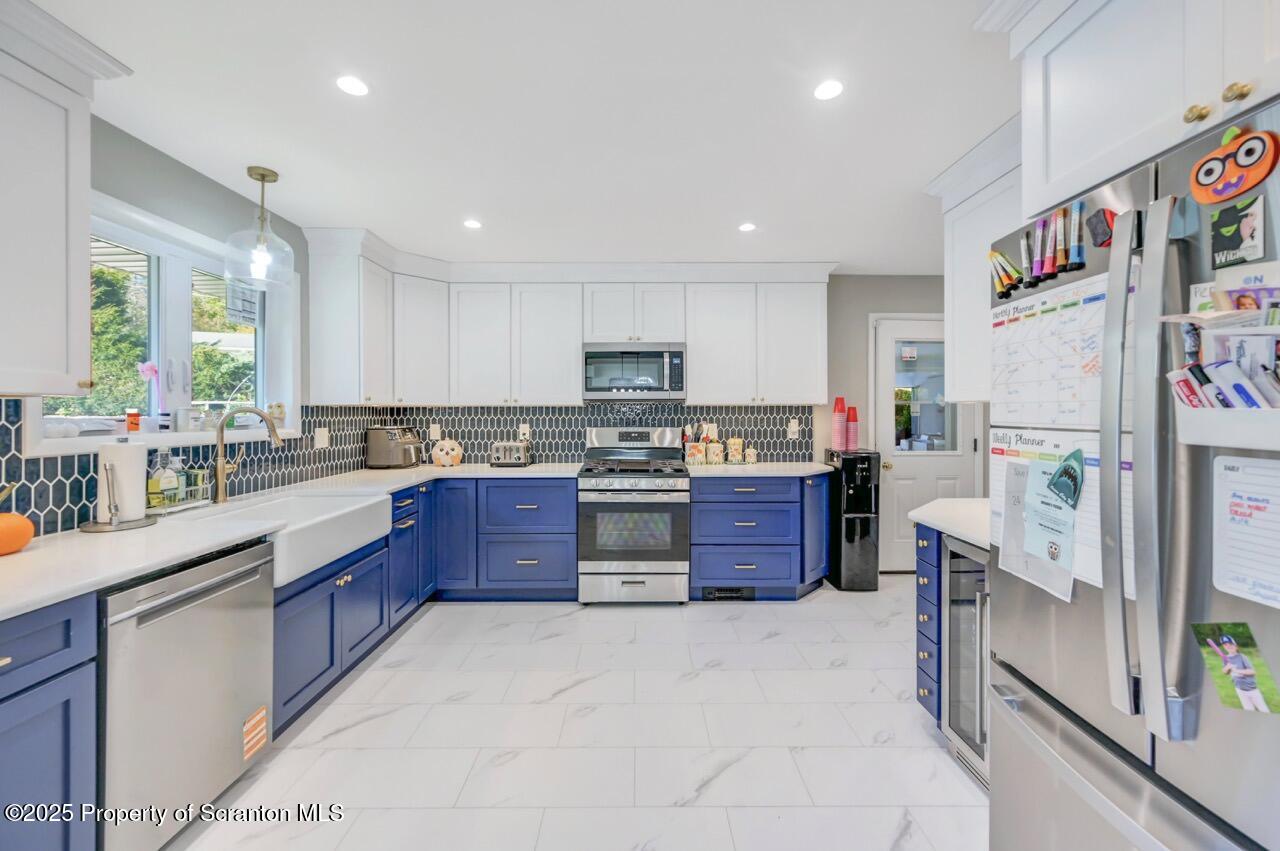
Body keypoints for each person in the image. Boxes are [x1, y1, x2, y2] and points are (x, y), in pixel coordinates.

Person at [1220, 635, 1271, 712]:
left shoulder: (1242, 657)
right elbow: (1225, 672)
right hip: (1239, 690)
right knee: (1249, 709)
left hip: (1252, 690)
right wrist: (1226, 668)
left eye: (1230, 644)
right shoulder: (1225, 658)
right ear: (1224, 647)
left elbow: (1252, 672)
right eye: (1225, 645)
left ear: (1236, 646)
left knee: (1264, 710)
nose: (1228, 646)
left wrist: (1236, 670)